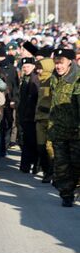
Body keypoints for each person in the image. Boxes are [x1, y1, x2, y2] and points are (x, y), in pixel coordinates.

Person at [48, 48, 79, 207]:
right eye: (56, 62)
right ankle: (66, 194)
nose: (58, 66)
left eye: (61, 63)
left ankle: (74, 188)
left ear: (70, 62)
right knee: (61, 165)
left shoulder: (77, 79)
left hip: (75, 132)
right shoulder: (53, 78)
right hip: (58, 130)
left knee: (76, 165)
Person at [17, 57, 40, 174]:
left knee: (31, 141)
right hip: (25, 114)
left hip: (32, 115)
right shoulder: (25, 78)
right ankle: (27, 165)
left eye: (28, 66)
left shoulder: (35, 79)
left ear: (33, 67)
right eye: (24, 67)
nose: (25, 69)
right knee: (26, 141)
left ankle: (32, 165)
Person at [34, 58, 55, 183]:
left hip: (50, 119)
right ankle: (47, 170)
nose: (38, 70)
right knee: (40, 147)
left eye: (40, 68)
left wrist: (48, 109)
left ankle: (51, 172)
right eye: (37, 68)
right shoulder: (41, 81)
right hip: (40, 118)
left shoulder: (52, 80)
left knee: (49, 148)